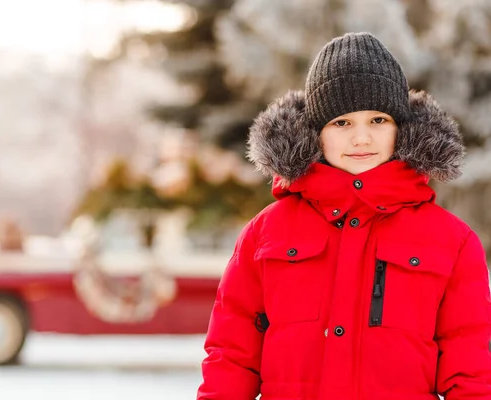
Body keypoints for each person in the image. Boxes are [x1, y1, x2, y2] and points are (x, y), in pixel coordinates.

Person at [197, 32, 491, 400]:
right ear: (316, 132)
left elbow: (471, 369)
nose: (362, 139)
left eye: (378, 120)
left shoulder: (452, 241)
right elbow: (231, 355)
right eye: (342, 123)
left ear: (401, 128)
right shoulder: (266, 233)